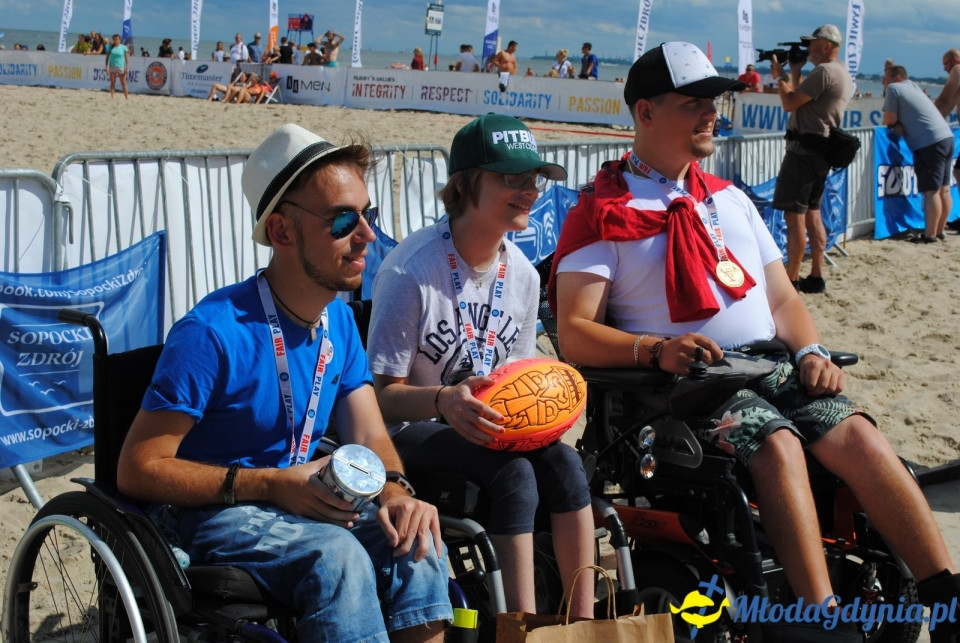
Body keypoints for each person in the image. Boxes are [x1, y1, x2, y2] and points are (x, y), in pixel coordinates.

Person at [549, 41, 960, 643]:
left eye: (714, 102)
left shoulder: (728, 197)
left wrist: (812, 352)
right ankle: (820, 621)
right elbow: (574, 332)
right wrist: (652, 349)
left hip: (765, 366)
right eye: (695, 103)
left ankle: (944, 597)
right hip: (681, 387)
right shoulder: (602, 211)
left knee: (861, 436)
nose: (712, 114)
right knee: (778, 444)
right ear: (645, 113)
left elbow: (784, 300)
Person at [115, 123, 452, 642]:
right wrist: (272, 484)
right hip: (211, 514)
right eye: (344, 220)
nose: (367, 235)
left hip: (304, 498)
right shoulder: (211, 332)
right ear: (282, 232)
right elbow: (138, 469)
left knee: (417, 538)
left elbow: (368, 436)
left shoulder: (337, 321)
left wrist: (395, 490)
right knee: (337, 558)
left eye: (370, 214)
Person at [367, 113, 596, 620]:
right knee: (515, 474)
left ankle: (583, 624)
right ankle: (522, 626)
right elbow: (378, 398)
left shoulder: (522, 274)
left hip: (488, 424)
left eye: (533, 179)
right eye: (511, 178)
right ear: (467, 182)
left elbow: (519, 377)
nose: (529, 191)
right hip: (413, 428)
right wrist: (444, 401)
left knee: (566, 463)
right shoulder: (410, 272)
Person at [769, 24, 852, 294]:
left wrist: (780, 76)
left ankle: (791, 279)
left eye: (813, 45)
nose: (808, 50)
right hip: (820, 154)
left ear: (827, 46)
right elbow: (806, 99)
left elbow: (791, 102)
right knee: (813, 216)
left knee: (794, 218)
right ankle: (815, 275)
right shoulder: (840, 73)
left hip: (803, 152)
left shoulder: (825, 71)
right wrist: (794, 71)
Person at [883, 64, 955, 243]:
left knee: (931, 192)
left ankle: (929, 235)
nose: (883, 83)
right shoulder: (913, 86)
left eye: (885, 79)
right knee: (944, 189)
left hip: (929, 143)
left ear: (897, 78)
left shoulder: (894, 88)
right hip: (946, 137)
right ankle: (939, 231)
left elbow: (889, 119)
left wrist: (896, 124)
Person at [934, 48, 960, 198]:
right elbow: (948, 104)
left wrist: (926, 119)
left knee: (958, 171)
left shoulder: (957, 69)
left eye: (945, 64)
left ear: (954, 61)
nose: (944, 69)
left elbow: (944, 101)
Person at [104, 33, 129, 100]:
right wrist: (106, 67)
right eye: (114, 39)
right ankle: (112, 97)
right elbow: (107, 58)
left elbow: (127, 58)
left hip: (120, 66)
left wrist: (127, 67)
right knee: (112, 82)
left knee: (123, 82)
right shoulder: (110, 47)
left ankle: (126, 97)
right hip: (112, 66)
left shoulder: (123, 47)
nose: (116, 40)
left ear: (120, 40)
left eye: (117, 39)